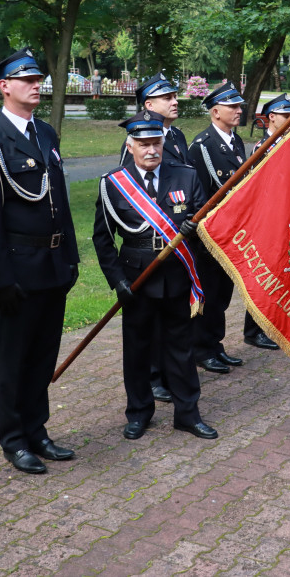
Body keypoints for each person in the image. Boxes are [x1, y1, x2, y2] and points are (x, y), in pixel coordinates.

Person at [0, 47, 80, 474]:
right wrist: (0, 276)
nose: (37, 85)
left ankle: (38, 430)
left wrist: (70, 256)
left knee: (44, 353)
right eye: (27, 79)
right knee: (15, 357)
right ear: (5, 87)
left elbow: (60, 202)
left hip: (52, 262)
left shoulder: (46, 134)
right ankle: (14, 440)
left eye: (39, 79)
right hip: (18, 265)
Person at [93, 110, 217, 440]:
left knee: (181, 349)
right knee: (137, 350)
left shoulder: (186, 176)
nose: (151, 150)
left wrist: (194, 229)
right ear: (130, 146)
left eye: (156, 144)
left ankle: (187, 413)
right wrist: (118, 281)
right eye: (144, 144)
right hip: (137, 280)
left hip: (177, 275)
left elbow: (206, 227)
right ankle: (138, 413)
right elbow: (103, 239)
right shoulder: (114, 184)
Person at [122, 72, 194, 402]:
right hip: (148, 252)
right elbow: (132, 202)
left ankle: (168, 374)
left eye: (175, 96)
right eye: (167, 98)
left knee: (173, 328)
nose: (175, 101)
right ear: (149, 105)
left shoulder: (175, 136)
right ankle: (153, 377)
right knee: (146, 328)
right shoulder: (137, 145)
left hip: (176, 250)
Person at [188, 82, 247, 373]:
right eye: (233, 107)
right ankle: (201, 348)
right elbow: (199, 195)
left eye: (239, 107)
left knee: (223, 294)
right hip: (211, 235)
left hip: (231, 233)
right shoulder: (203, 146)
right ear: (215, 111)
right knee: (209, 293)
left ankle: (215, 344)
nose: (238, 111)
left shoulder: (234, 142)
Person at [238, 94, 290, 350]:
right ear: (271, 117)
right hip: (268, 221)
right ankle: (253, 330)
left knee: (282, 273)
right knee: (264, 275)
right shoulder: (264, 147)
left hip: (289, 218)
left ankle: (272, 321)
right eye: (286, 115)